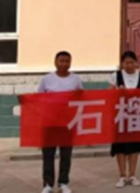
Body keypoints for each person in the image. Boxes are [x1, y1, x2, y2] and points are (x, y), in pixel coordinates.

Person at [38, 51, 83, 193]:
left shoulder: (76, 80)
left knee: (66, 154)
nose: (64, 64)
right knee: (48, 154)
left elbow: (81, 98)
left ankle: (63, 183)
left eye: (67, 61)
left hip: (68, 123)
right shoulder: (46, 80)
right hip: (50, 122)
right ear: (55, 62)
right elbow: (38, 99)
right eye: (61, 61)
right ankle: (48, 184)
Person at [109, 51, 140, 188]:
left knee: (134, 146)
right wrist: (117, 92)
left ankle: (132, 175)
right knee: (120, 147)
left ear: (136, 63)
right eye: (126, 63)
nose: (129, 65)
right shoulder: (116, 76)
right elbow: (109, 94)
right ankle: (122, 175)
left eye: (132, 62)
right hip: (120, 116)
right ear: (122, 64)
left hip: (136, 116)